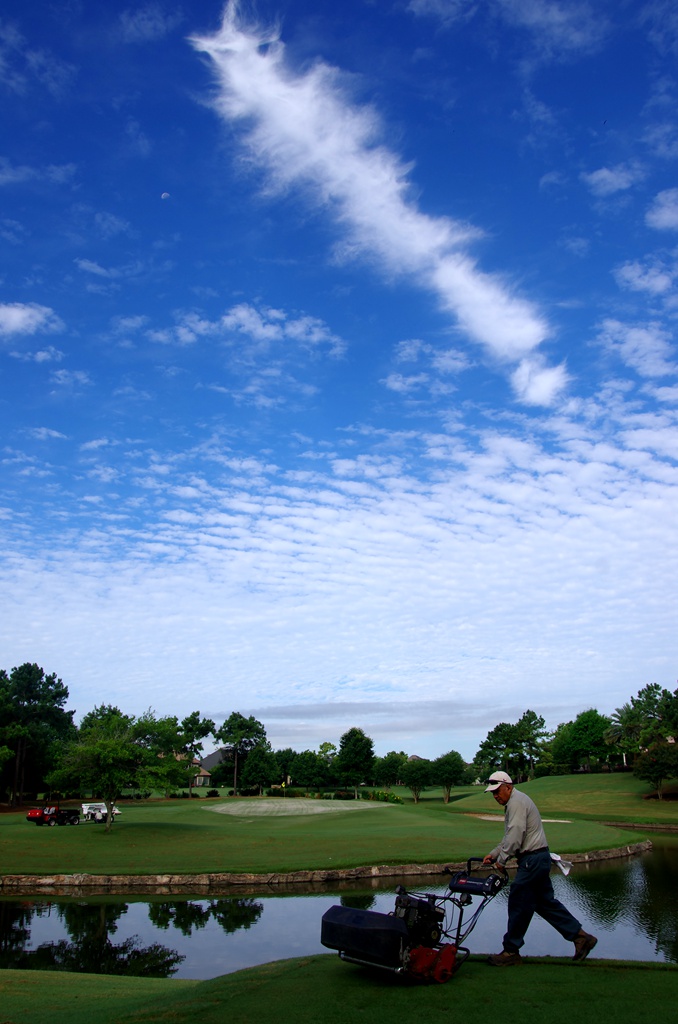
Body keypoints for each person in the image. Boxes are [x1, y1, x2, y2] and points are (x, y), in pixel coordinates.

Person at [482, 770, 597, 966]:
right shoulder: (515, 801)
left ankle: (511, 952)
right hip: (538, 859)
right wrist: (494, 854)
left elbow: (516, 835)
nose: (495, 796)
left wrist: (501, 860)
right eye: (492, 793)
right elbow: (510, 836)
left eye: (498, 791)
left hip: (532, 860)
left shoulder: (516, 803)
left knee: (518, 902)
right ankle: (580, 937)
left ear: (508, 787)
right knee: (545, 904)